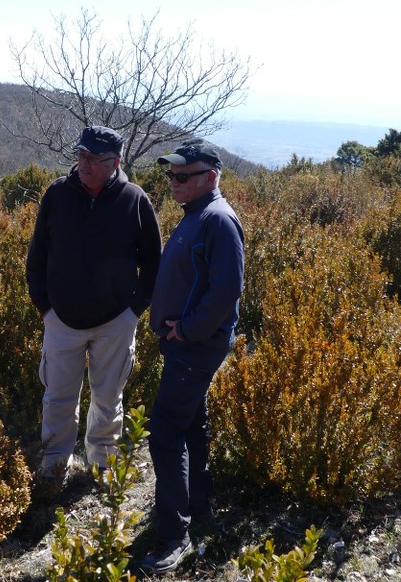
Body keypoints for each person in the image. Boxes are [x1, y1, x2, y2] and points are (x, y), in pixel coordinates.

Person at [26, 124, 162, 484]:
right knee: (57, 399)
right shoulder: (57, 193)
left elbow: (153, 262)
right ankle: (54, 466)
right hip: (61, 321)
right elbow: (37, 254)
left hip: (115, 321)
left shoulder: (134, 200)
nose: (84, 164)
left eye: (94, 158)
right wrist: (45, 308)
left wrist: (133, 312)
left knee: (107, 397)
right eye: (81, 155)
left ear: (115, 162)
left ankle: (102, 465)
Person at [140, 138, 245, 575]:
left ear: (211, 177)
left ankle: (173, 534)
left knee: (164, 432)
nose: (174, 182)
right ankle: (198, 504)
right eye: (172, 175)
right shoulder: (195, 216)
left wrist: (186, 330)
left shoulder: (218, 221)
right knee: (191, 424)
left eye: (183, 176)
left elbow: (225, 292)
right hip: (185, 346)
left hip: (194, 348)